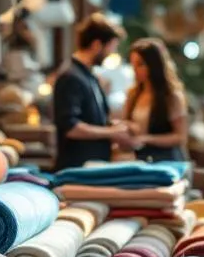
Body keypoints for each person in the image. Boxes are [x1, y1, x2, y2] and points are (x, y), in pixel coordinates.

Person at [53, 14, 131, 170]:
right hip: (77, 168)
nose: (111, 54)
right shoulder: (71, 77)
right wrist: (110, 132)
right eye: (111, 47)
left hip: (92, 166)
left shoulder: (89, 76)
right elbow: (71, 128)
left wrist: (112, 126)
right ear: (96, 45)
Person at [123, 38, 189, 162]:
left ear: (153, 65)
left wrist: (146, 139)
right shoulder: (133, 94)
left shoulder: (171, 97)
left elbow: (180, 137)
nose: (135, 69)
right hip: (141, 158)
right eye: (133, 64)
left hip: (166, 160)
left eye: (140, 64)